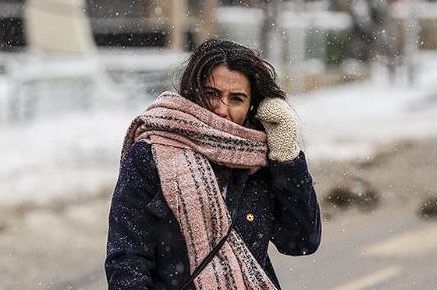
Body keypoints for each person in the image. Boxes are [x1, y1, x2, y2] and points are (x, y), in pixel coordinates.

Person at [105, 39, 321, 290]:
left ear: (251, 107)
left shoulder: (259, 163)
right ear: (192, 93)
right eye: (211, 94)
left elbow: (302, 240)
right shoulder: (152, 153)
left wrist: (286, 156)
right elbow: (127, 260)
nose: (221, 109)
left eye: (236, 99)